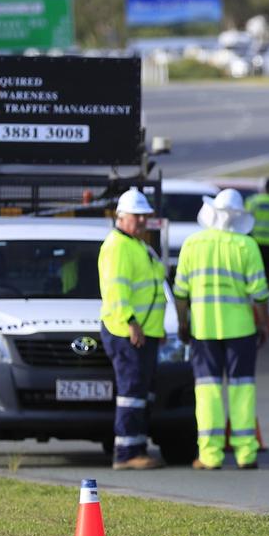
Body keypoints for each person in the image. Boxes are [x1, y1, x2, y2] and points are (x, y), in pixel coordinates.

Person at [174, 189, 269, 470]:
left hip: (203, 329)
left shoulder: (192, 244)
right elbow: (260, 293)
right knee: (243, 390)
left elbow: (181, 292)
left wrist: (182, 323)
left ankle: (210, 455)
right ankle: (245, 453)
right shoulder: (246, 246)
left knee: (207, 392)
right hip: (241, 329)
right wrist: (262, 324)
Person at [98, 187, 167, 470]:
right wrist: (131, 322)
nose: (141, 221)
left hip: (144, 332)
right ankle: (125, 453)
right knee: (131, 391)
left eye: (144, 216)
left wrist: (156, 328)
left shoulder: (137, 245)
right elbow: (116, 291)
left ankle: (137, 447)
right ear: (121, 217)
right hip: (127, 332)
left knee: (140, 392)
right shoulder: (117, 247)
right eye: (136, 217)